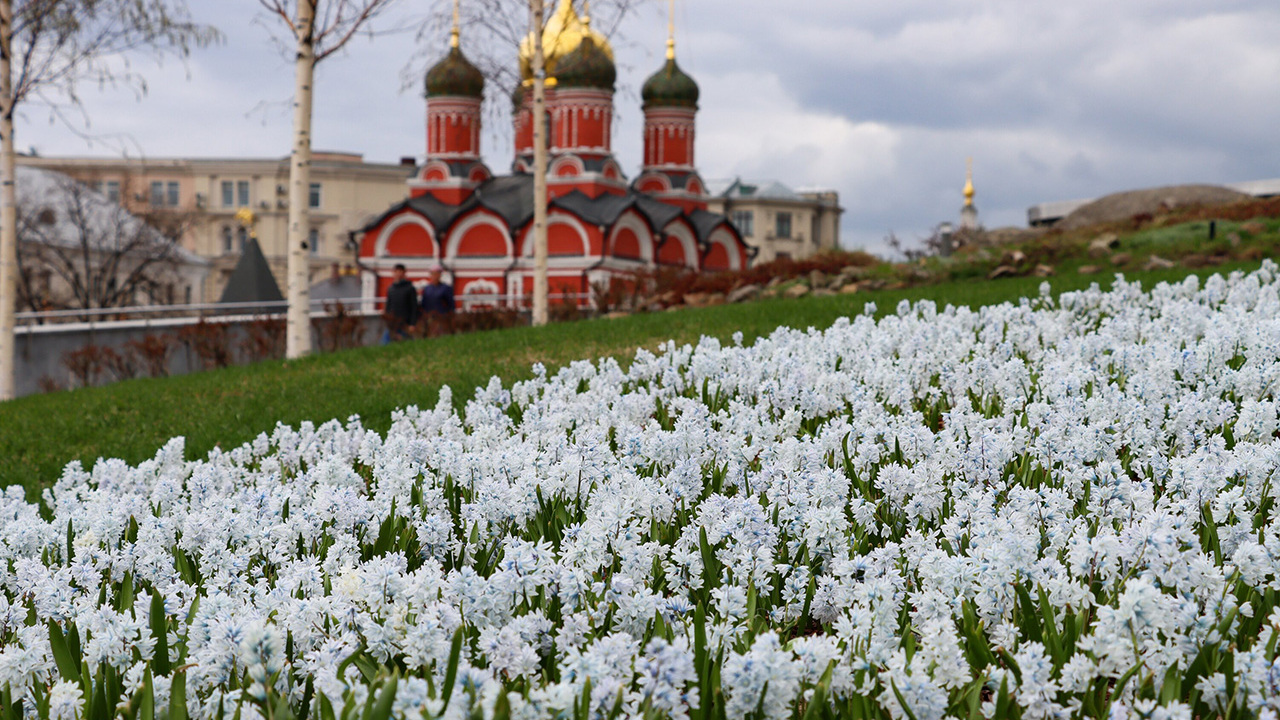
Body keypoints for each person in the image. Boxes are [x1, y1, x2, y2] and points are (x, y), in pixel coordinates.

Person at [382, 263, 420, 343]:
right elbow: (388, 305)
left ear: (404, 273)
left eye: (400, 272)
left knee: (405, 343)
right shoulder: (391, 289)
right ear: (393, 273)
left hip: (405, 323)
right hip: (392, 323)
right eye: (396, 271)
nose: (398, 274)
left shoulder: (409, 288)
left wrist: (412, 323)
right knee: (386, 343)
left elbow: (414, 307)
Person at [419, 266, 455, 337]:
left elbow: (451, 305)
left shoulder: (446, 288)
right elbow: (423, 304)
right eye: (433, 274)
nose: (435, 276)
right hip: (429, 320)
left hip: (442, 319)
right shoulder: (427, 289)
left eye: (437, 274)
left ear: (440, 275)